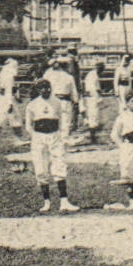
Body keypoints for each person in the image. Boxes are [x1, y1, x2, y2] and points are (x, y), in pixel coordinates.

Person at [24, 79, 80, 212]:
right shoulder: (32, 105)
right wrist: (36, 137)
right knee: (41, 169)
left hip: (54, 136)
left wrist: (61, 136)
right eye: (42, 88)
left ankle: (64, 201)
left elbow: (62, 121)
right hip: (39, 137)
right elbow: (28, 126)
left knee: (59, 166)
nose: (46, 90)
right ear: (38, 90)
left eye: (48, 87)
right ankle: (46, 202)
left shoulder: (57, 102)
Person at [0, 57, 22, 140]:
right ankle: (17, 139)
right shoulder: (9, 77)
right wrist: (10, 103)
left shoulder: (3, 76)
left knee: (0, 119)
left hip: (2, 99)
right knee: (15, 119)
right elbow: (8, 91)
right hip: (7, 99)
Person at [83, 60, 105, 144]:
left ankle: (93, 137)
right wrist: (100, 97)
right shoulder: (93, 75)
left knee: (94, 117)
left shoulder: (93, 74)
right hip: (92, 98)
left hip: (91, 97)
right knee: (93, 117)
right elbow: (96, 89)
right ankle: (93, 138)